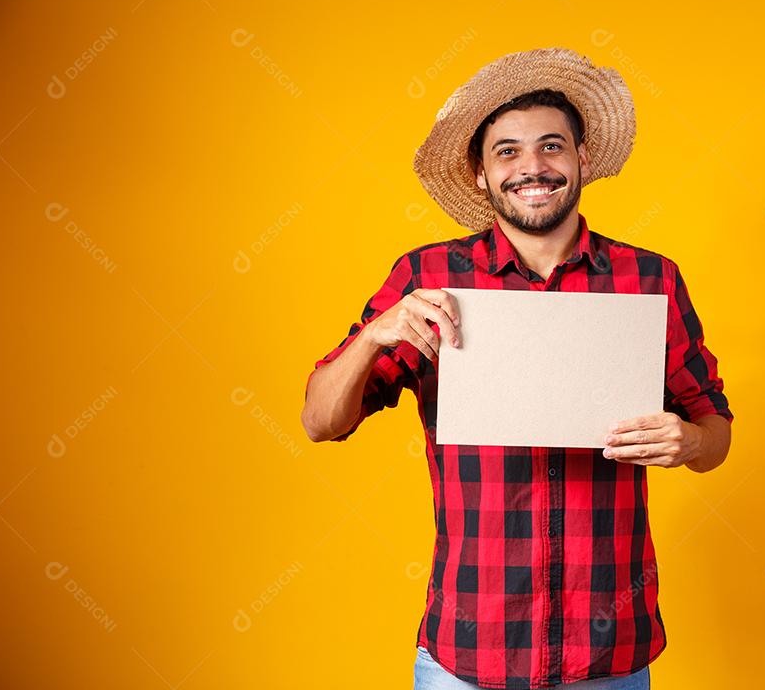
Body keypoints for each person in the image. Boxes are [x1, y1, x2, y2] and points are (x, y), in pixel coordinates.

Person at [302, 47, 733, 689]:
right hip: (468, 651)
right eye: (507, 151)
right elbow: (319, 421)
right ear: (480, 173)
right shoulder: (428, 278)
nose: (533, 167)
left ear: (582, 159)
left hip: (607, 652)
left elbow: (715, 433)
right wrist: (375, 333)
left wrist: (691, 439)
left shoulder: (648, 280)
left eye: (551, 146)